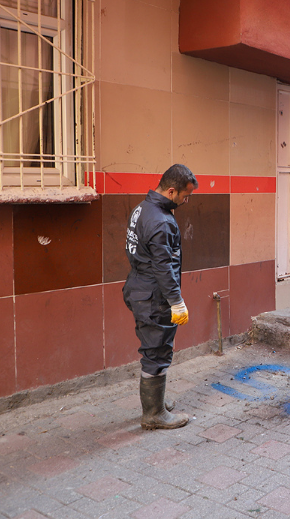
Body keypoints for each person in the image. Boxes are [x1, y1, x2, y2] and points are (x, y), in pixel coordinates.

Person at [124, 164, 198, 430]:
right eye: (183, 196)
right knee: (157, 351)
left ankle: (156, 402)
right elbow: (164, 266)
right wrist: (176, 301)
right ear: (170, 190)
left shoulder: (143, 209)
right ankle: (153, 414)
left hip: (139, 287)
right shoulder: (161, 221)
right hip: (154, 294)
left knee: (154, 348)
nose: (185, 201)